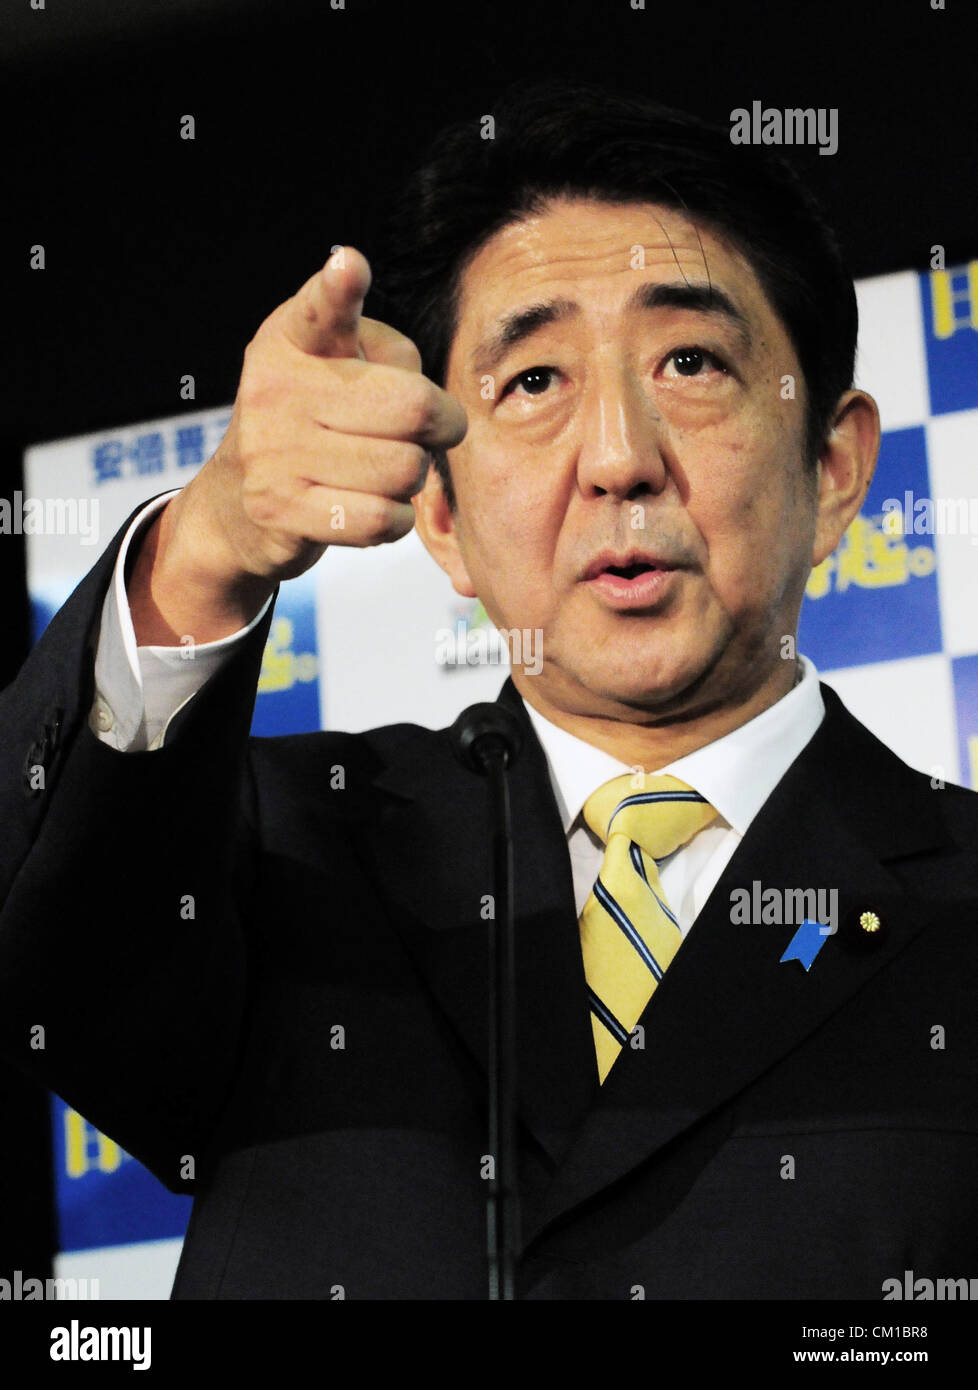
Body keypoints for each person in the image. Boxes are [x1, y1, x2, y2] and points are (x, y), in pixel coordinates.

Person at [2, 80, 977, 1301]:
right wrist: (200, 552)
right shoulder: (278, 856)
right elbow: (48, 933)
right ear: (445, 517)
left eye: (689, 359)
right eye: (532, 382)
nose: (620, 457)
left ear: (834, 468)